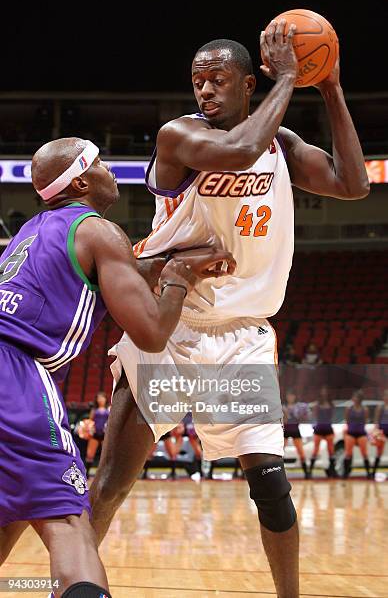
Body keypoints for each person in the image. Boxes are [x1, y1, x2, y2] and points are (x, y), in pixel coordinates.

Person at [90, 22, 369, 598]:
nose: (206, 92)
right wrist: (291, 76)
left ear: (247, 85)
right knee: (114, 482)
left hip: (241, 340)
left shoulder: (282, 145)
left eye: (218, 80)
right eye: (198, 82)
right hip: (173, 329)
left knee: (271, 486)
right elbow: (239, 152)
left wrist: (331, 87)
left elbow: (353, 182)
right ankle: (68, 584)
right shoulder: (180, 137)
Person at [0, 137, 234, 598]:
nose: (111, 171)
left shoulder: (33, 231)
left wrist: (169, 262)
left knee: (7, 518)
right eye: (101, 163)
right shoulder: (99, 231)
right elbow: (151, 332)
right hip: (15, 374)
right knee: (69, 523)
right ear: (84, 180)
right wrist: (178, 281)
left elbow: (118, 270)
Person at [310, 387, 337, 478]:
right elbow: (314, 417)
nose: (324, 393)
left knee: (331, 451)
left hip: (328, 428)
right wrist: (313, 426)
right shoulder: (317, 405)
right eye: (323, 392)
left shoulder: (331, 404)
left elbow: (333, 416)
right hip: (319, 429)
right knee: (315, 450)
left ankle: (332, 471)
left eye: (326, 392)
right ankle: (310, 471)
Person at [282, 391, 310, 479]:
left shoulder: (298, 407)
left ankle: (306, 473)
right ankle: (279, 472)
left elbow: (303, 418)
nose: (290, 398)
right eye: (289, 396)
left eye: (292, 396)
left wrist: (298, 415)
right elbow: (282, 420)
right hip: (285, 430)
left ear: (294, 397)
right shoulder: (283, 407)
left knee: (301, 452)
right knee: (280, 452)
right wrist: (285, 415)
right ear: (287, 397)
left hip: (295, 430)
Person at [343, 391, 371, 479]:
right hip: (351, 433)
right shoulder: (349, 409)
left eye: (357, 397)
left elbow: (365, 421)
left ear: (360, 399)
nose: (355, 399)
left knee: (365, 453)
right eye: (354, 397)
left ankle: (368, 473)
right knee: (348, 454)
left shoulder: (365, 409)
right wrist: (350, 429)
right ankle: (346, 473)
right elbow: (347, 420)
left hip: (361, 433)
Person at [85, 392, 110, 478]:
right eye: (98, 398)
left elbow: (111, 421)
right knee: (90, 454)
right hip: (95, 434)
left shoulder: (109, 409)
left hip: (105, 435)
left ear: (105, 399)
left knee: (105, 455)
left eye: (102, 398)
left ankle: (104, 474)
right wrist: (90, 429)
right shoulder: (94, 410)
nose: (100, 400)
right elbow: (90, 421)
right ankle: (87, 473)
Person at [371, 389, 388, 477]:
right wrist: (376, 432)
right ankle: (373, 472)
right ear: (384, 397)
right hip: (382, 431)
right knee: (379, 452)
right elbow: (376, 421)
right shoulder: (380, 407)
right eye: (386, 396)